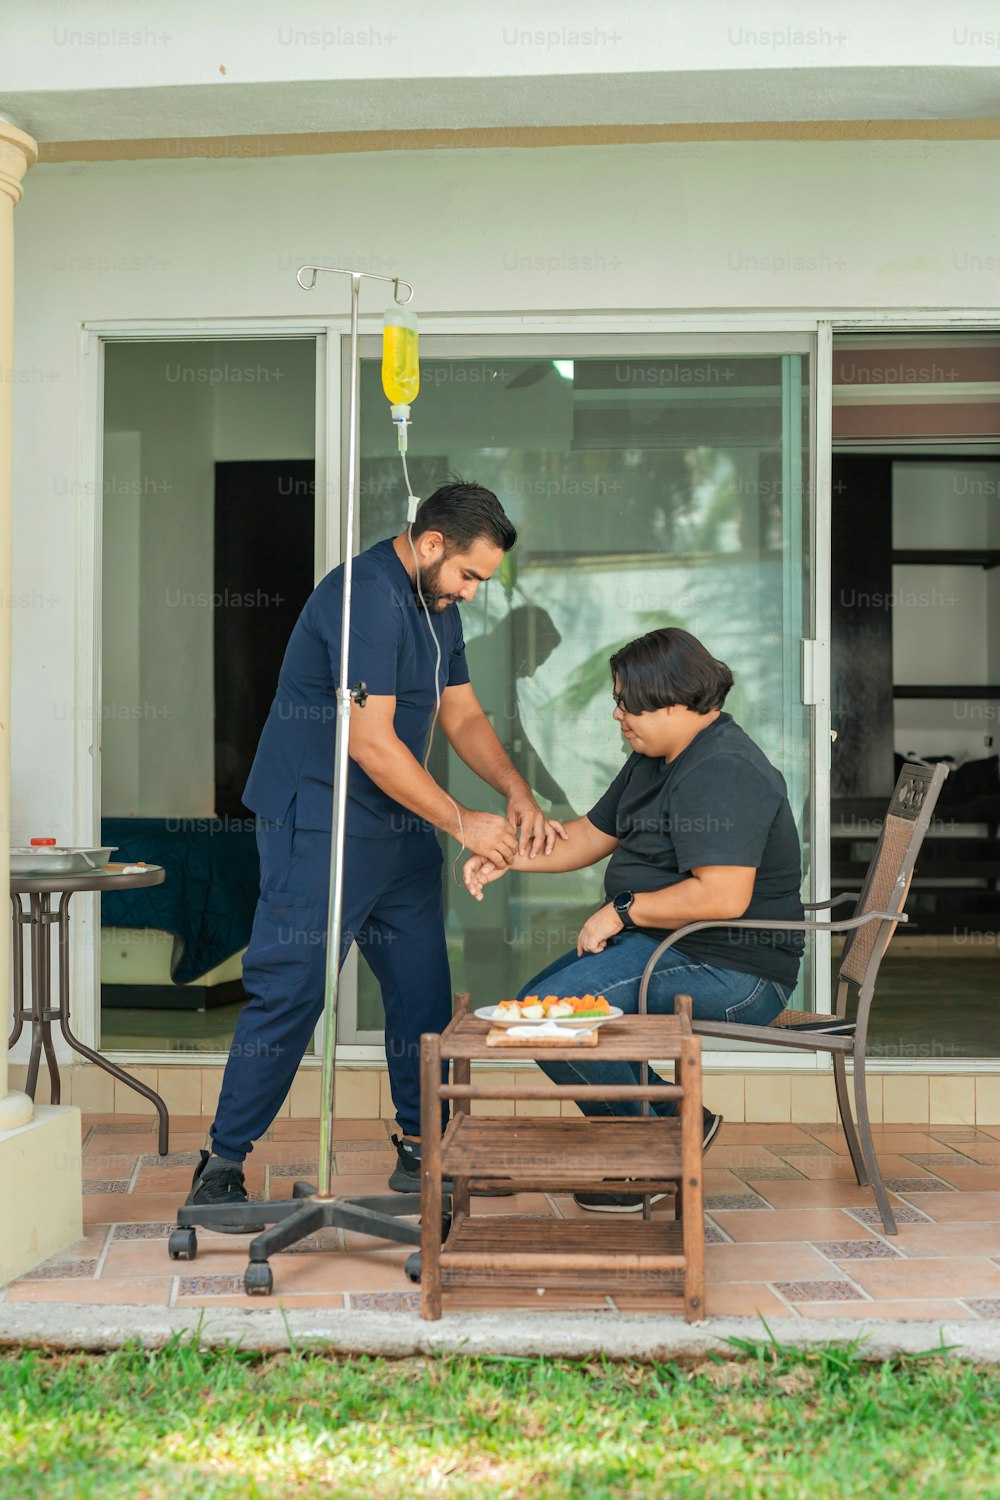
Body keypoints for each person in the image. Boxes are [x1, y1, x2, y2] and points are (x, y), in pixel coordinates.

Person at [189, 482, 564, 1228]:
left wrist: (516, 790)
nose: (474, 593)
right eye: (469, 576)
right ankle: (221, 1164)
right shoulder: (365, 599)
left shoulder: (438, 606)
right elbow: (370, 742)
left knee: (423, 988)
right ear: (431, 546)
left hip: (395, 822)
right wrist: (465, 822)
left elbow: (459, 711)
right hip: (318, 818)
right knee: (292, 989)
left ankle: (426, 1144)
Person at [464, 626, 803, 1213]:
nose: (618, 714)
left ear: (673, 699)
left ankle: (649, 1160)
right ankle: (680, 1125)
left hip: (734, 969)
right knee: (533, 1009)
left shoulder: (723, 769)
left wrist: (623, 911)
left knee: (547, 1023)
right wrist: (506, 858)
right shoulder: (656, 757)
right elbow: (586, 837)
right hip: (674, 946)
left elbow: (723, 895)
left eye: (628, 702)